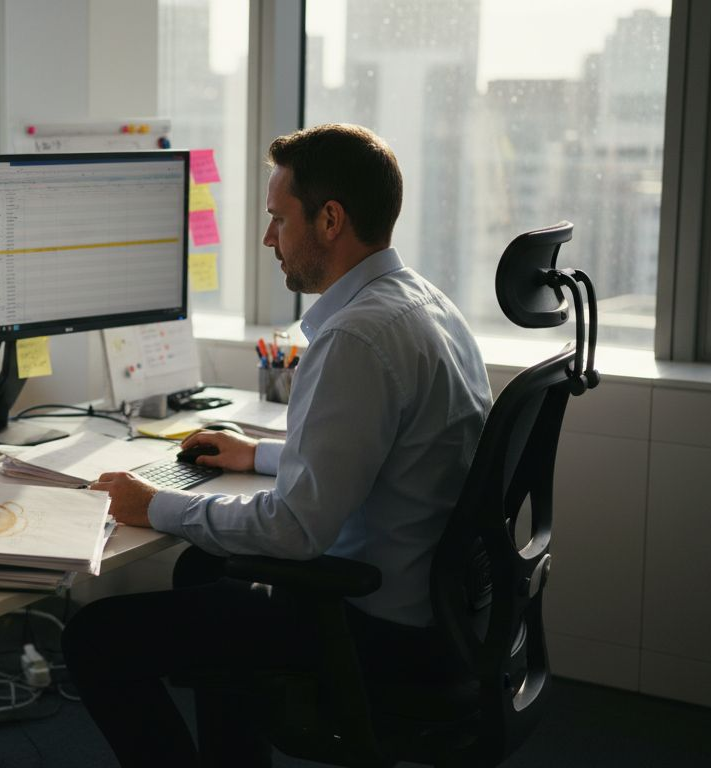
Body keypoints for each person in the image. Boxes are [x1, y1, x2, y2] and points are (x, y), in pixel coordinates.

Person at [61, 123, 493, 767]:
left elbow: (295, 531)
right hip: (441, 610)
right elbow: (380, 456)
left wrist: (150, 505)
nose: (268, 238)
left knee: (94, 637)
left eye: (278, 219)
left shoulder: (356, 338)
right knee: (201, 569)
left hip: (375, 629)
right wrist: (257, 455)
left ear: (330, 219)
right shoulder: (424, 304)